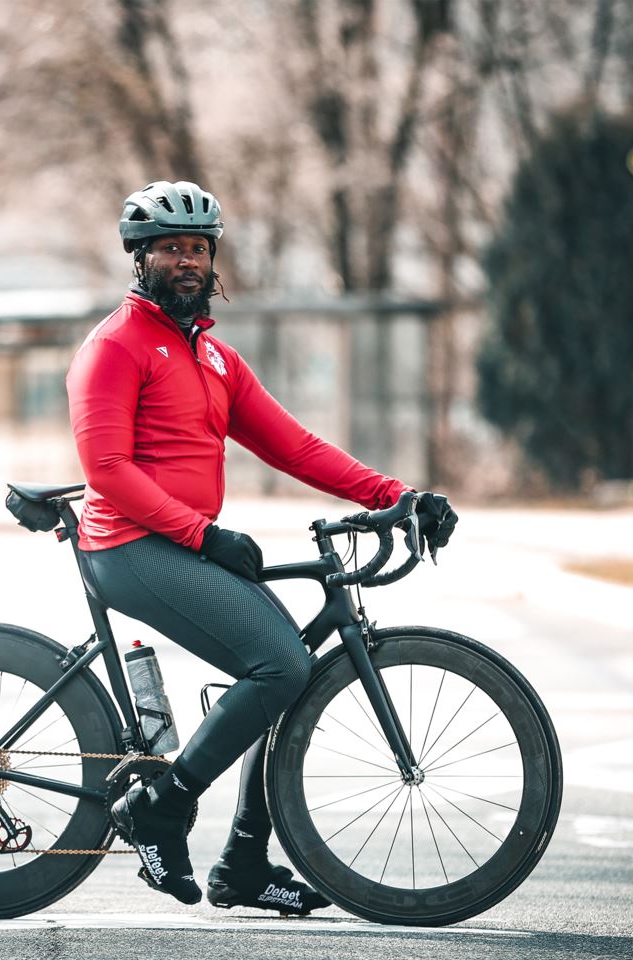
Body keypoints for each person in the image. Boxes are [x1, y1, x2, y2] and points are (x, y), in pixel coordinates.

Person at [66, 180, 457, 913]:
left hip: (180, 544)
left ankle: (243, 864)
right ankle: (162, 805)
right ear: (140, 259)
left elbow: (295, 446)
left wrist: (394, 495)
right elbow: (108, 473)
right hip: (128, 546)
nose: (187, 260)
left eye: (198, 248)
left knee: (288, 671)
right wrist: (204, 534)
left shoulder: (215, 360)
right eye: (171, 248)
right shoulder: (114, 348)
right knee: (277, 664)